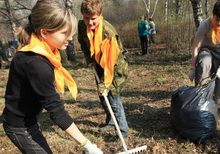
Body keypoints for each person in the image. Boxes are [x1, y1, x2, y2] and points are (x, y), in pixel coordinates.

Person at [2, 1, 103, 154]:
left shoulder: (39, 51)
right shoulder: (36, 63)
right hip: (19, 127)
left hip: (28, 122)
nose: (69, 38)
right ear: (44, 32)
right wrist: (87, 144)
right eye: (64, 33)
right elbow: (56, 110)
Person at [78, 0, 129, 142]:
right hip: (98, 63)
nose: (90, 22)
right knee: (102, 96)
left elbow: (111, 64)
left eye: (93, 19)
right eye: (86, 18)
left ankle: (123, 133)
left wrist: (105, 84)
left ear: (100, 14)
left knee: (113, 99)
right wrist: (89, 59)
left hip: (114, 67)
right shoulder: (81, 26)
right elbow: (83, 43)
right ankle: (111, 121)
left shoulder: (108, 33)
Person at [188, 0, 220, 104]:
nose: (219, 22)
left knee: (219, 80)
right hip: (206, 49)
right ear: (213, 14)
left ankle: (213, 104)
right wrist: (193, 67)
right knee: (204, 64)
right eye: (217, 19)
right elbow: (196, 46)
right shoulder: (205, 25)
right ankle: (199, 100)